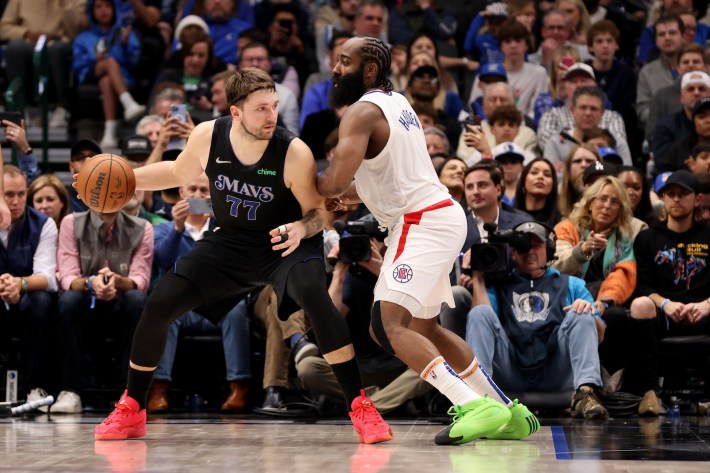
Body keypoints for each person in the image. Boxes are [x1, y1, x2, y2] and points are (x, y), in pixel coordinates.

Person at [93, 68, 391, 444]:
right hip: (230, 243)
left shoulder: (292, 151)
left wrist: (301, 228)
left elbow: (317, 213)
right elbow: (177, 170)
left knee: (314, 296)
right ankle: (132, 407)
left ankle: (361, 407)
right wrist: (128, 179)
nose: (272, 116)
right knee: (159, 302)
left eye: (275, 107)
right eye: (261, 109)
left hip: (285, 242)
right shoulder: (208, 135)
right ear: (235, 112)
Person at [317, 36, 539, 445]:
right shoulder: (396, 102)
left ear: (368, 69)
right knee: (426, 329)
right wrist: (344, 194)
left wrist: (295, 178)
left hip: (419, 221)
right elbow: (381, 176)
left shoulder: (361, 112)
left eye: (343, 62)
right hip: (437, 216)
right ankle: (507, 412)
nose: (334, 70)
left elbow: (330, 180)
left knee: (386, 326)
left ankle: (472, 404)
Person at [466, 221, 608, 419]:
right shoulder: (499, 285)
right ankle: (477, 397)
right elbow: (480, 320)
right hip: (511, 369)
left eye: (536, 245)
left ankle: (585, 394)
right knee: (479, 313)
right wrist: (478, 277)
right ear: (513, 253)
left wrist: (589, 314)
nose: (530, 251)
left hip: (556, 369)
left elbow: (600, 335)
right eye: (523, 246)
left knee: (582, 311)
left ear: (548, 250)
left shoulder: (571, 284)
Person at [147, 174, 251, 413]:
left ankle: (239, 387)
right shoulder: (163, 228)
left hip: (217, 303)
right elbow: (162, 261)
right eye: (192, 189)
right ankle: (158, 389)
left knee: (236, 309)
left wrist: (222, 228)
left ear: (213, 195)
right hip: (182, 306)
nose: (197, 195)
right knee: (164, 312)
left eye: (204, 191)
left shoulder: (226, 228)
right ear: (182, 193)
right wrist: (177, 228)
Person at [0, 164, 57, 408]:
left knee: (42, 301)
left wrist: (18, 284)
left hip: (26, 295)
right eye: (8, 194)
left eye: (21, 194)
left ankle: (36, 386)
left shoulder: (43, 224)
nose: (15, 201)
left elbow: (48, 276)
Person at [553, 176, 639, 313]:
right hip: (567, 297)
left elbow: (623, 275)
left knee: (616, 315)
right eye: (603, 199)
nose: (607, 206)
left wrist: (604, 301)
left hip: (602, 300)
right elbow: (556, 263)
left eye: (615, 202)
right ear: (590, 203)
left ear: (620, 209)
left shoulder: (623, 238)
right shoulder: (567, 228)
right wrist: (583, 249)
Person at [72, 0, 146, 148]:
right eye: (98, 7)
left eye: (107, 6)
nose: (103, 10)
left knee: (106, 81)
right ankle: (128, 103)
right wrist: (95, 58)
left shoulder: (123, 33)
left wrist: (124, 45)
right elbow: (77, 65)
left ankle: (109, 134)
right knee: (109, 62)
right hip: (90, 74)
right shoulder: (83, 37)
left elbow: (133, 63)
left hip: (120, 77)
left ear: (114, 9)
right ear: (92, 11)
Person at [513, 157, 562, 228]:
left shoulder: (561, 223)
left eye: (547, 174)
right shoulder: (508, 219)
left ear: (553, 185)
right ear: (523, 181)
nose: (541, 176)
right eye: (534, 172)